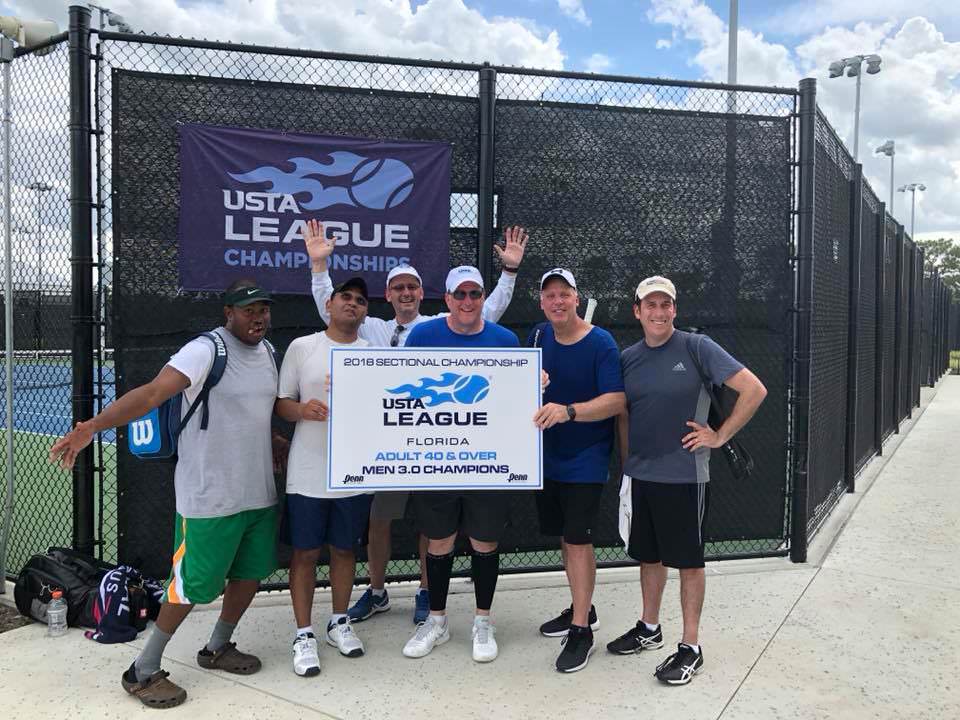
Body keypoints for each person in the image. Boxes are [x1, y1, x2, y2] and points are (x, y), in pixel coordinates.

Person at [49, 280, 285, 710]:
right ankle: (142, 669)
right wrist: (92, 427)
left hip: (258, 492)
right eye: (249, 310)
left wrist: (275, 442)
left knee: (249, 575)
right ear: (229, 312)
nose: (259, 318)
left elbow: (253, 411)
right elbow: (152, 393)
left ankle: (217, 647)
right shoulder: (206, 350)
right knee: (190, 586)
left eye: (264, 309)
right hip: (210, 496)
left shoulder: (268, 352)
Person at [304, 218, 529, 625]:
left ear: (424, 294)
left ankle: (428, 592)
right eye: (398, 287)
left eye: (412, 287)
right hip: (390, 448)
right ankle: (376, 591)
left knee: (432, 526)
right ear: (388, 294)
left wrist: (509, 272)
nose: (406, 292)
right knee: (379, 519)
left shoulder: (435, 325)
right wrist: (319, 267)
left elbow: (487, 309)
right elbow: (329, 309)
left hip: (436, 446)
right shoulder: (371, 328)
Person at [610, 275, 767, 686]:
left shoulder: (697, 347)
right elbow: (623, 414)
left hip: (685, 478)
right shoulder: (627, 358)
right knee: (649, 557)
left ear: (674, 309)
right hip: (641, 477)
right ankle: (649, 628)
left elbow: (754, 389)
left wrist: (720, 435)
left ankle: (691, 647)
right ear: (637, 311)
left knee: (689, 563)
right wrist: (627, 465)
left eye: (666, 304)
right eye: (650, 305)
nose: (659, 312)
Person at [399, 265, 520, 663]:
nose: (468, 301)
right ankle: (436, 620)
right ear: (447, 299)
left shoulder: (505, 340)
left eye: (475, 294)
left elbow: (513, 400)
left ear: (483, 297)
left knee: (485, 542)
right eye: (460, 294)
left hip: (488, 462)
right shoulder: (423, 336)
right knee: (439, 541)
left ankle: (483, 622)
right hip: (438, 460)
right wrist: (353, 387)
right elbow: (399, 391)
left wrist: (534, 386)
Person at [274, 276, 373, 677]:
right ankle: (303, 634)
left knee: (345, 550)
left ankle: (339, 623)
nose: (352, 304)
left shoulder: (374, 354)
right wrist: (303, 411)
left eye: (360, 300)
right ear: (329, 304)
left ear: (366, 312)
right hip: (308, 469)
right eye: (345, 297)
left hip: (354, 472)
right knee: (305, 553)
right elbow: (282, 403)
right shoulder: (303, 347)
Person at [531, 268, 625, 673]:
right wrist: (530, 382)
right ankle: (582, 606)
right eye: (550, 295)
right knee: (565, 538)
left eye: (564, 294)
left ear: (576, 298)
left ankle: (582, 630)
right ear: (542, 303)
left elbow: (616, 400)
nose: (557, 301)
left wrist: (568, 411)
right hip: (547, 457)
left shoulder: (601, 342)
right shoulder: (538, 336)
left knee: (578, 537)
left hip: (587, 457)